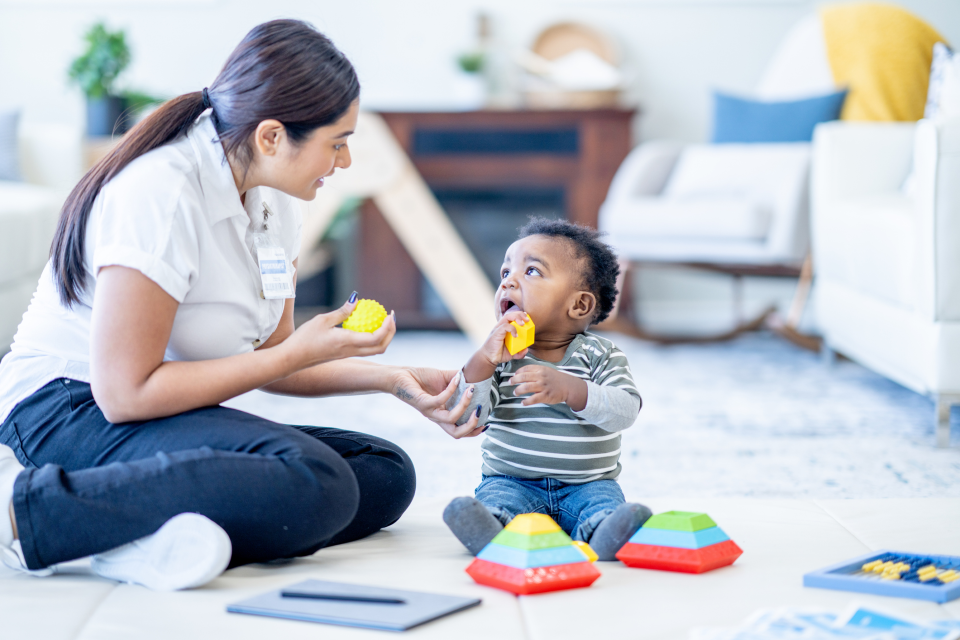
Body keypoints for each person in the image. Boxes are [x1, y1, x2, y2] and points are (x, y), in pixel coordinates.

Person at [0, 20, 483, 591]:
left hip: (158, 409)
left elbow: (275, 356)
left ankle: (139, 537)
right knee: (316, 484)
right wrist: (294, 354)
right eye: (337, 142)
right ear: (272, 136)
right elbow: (124, 394)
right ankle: (29, 515)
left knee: (382, 476)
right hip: (66, 409)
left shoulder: (279, 201)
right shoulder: (161, 191)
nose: (346, 162)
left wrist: (394, 380)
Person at [441, 218, 651, 560]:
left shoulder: (601, 355)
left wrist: (572, 389)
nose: (509, 281)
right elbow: (465, 415)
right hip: (512, 480)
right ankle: (489, 529)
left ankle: (606, 531)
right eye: (505, 272)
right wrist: (482, 360)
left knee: (602, 505)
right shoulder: (501, 356)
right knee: (498, 501)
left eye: (532, 272)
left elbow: (625, 411)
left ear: (579, 305)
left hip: (588, 484)